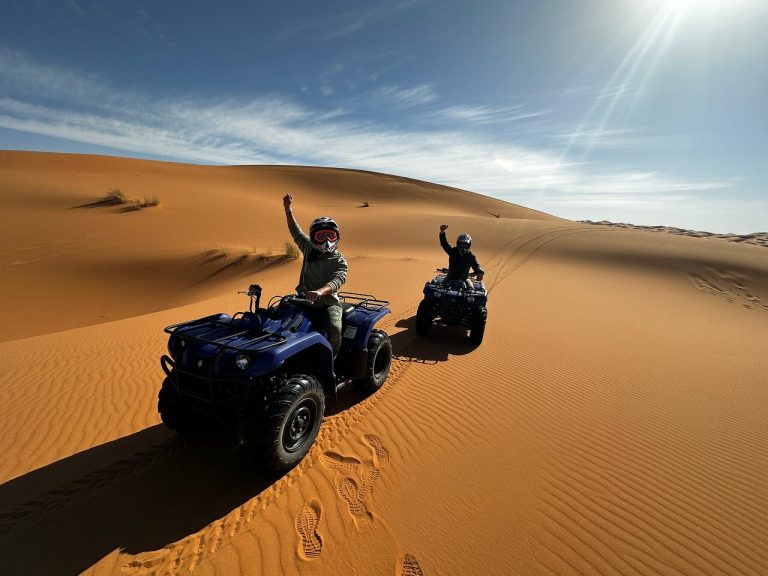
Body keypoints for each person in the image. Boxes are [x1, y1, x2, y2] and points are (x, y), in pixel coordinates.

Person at [283, 194, 348, 355]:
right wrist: (288, 209)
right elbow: (296, 232)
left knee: (334, 328)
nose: (327, 240)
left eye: (330, 236)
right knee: (280, 320)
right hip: (303, 300)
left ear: (337, 237)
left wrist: (319, 292)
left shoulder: (340, 260)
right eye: (321, 236)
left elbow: (337, 281)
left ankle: (332, 360)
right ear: (313, 238)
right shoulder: (308, 248)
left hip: (328, 304)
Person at [439, 224, 484, 290]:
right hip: (451, 276)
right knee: (440, 287)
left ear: (469, 245)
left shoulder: (471, 256)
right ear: (458, 243)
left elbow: (476, 266)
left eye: (465, 245)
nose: (463, 246)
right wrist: (442, 232)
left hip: (464, 278)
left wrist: (480, 272)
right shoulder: (453, 251)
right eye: (462, 244)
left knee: (471, 290)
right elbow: (444, 244)